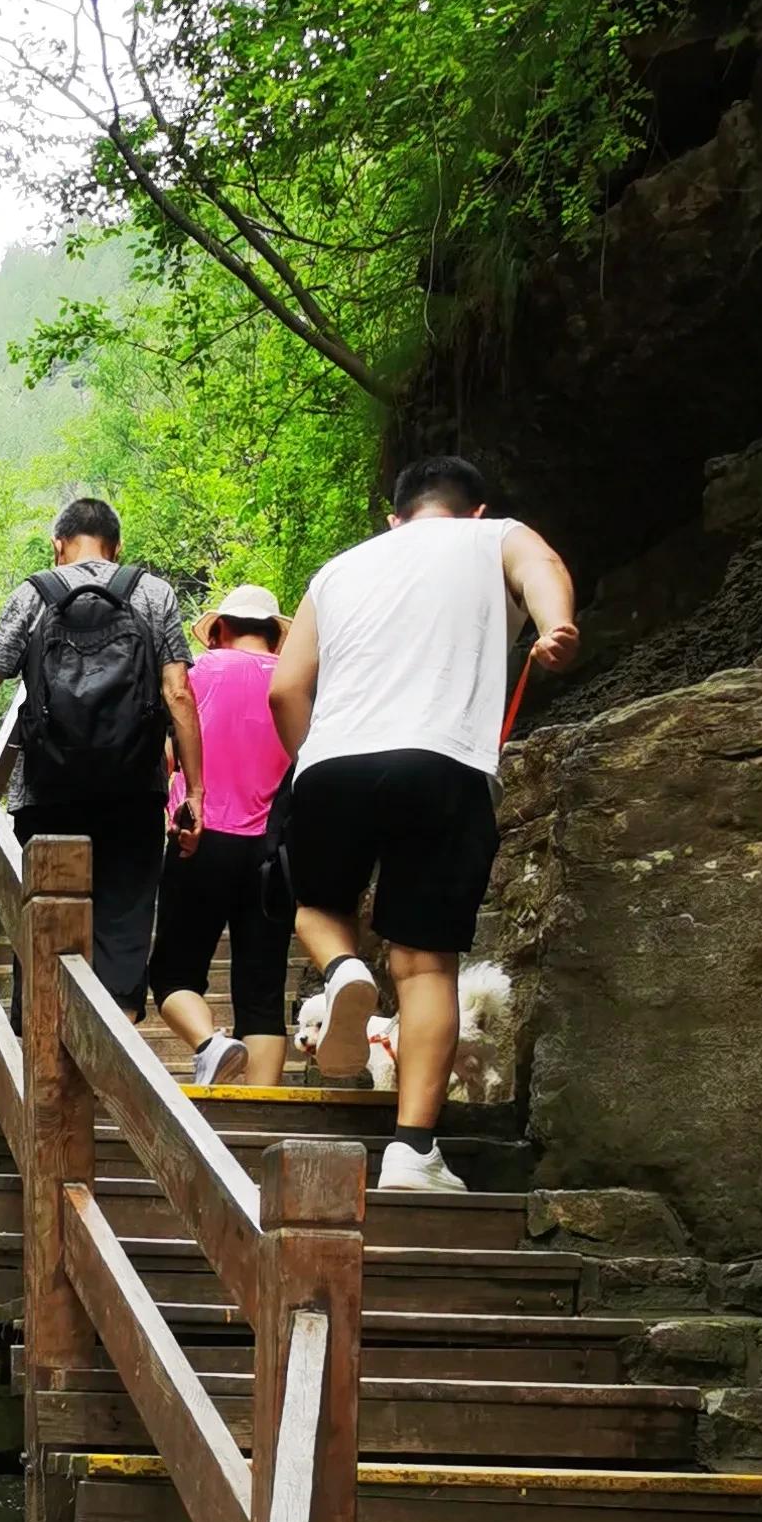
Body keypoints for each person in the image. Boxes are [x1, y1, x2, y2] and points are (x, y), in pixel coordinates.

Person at [269, 455, 578, 1194]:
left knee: (316, 906)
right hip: (443, 763)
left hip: (334, 759)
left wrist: (314, 762)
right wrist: (555, 623)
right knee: (424, 964)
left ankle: (343, 971)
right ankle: (411, 1154)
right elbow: (543, 565)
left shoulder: (337, 571)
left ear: (394, 518)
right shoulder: (494, 536)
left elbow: (285, 688)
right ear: (474, 512)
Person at [0, 496, 204, 1021]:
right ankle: (116, 1035)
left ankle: (36, 1043)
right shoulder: (153, 593)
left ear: (58, 544)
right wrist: (193, 792)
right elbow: (178, 694)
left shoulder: (33, 593)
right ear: (116, 545)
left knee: (44, 917)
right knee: (123, 921)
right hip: (134, 789)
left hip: (47, 791)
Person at [148, 583, 296, 1091]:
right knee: (262, 993)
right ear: (276, 636)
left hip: (200, 838)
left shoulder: (195, 675)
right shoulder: (298, 683)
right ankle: (264, 1109)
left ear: (221, 630)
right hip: (275, 851)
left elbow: (166, 756)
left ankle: (211, 1044)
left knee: (173, 975)